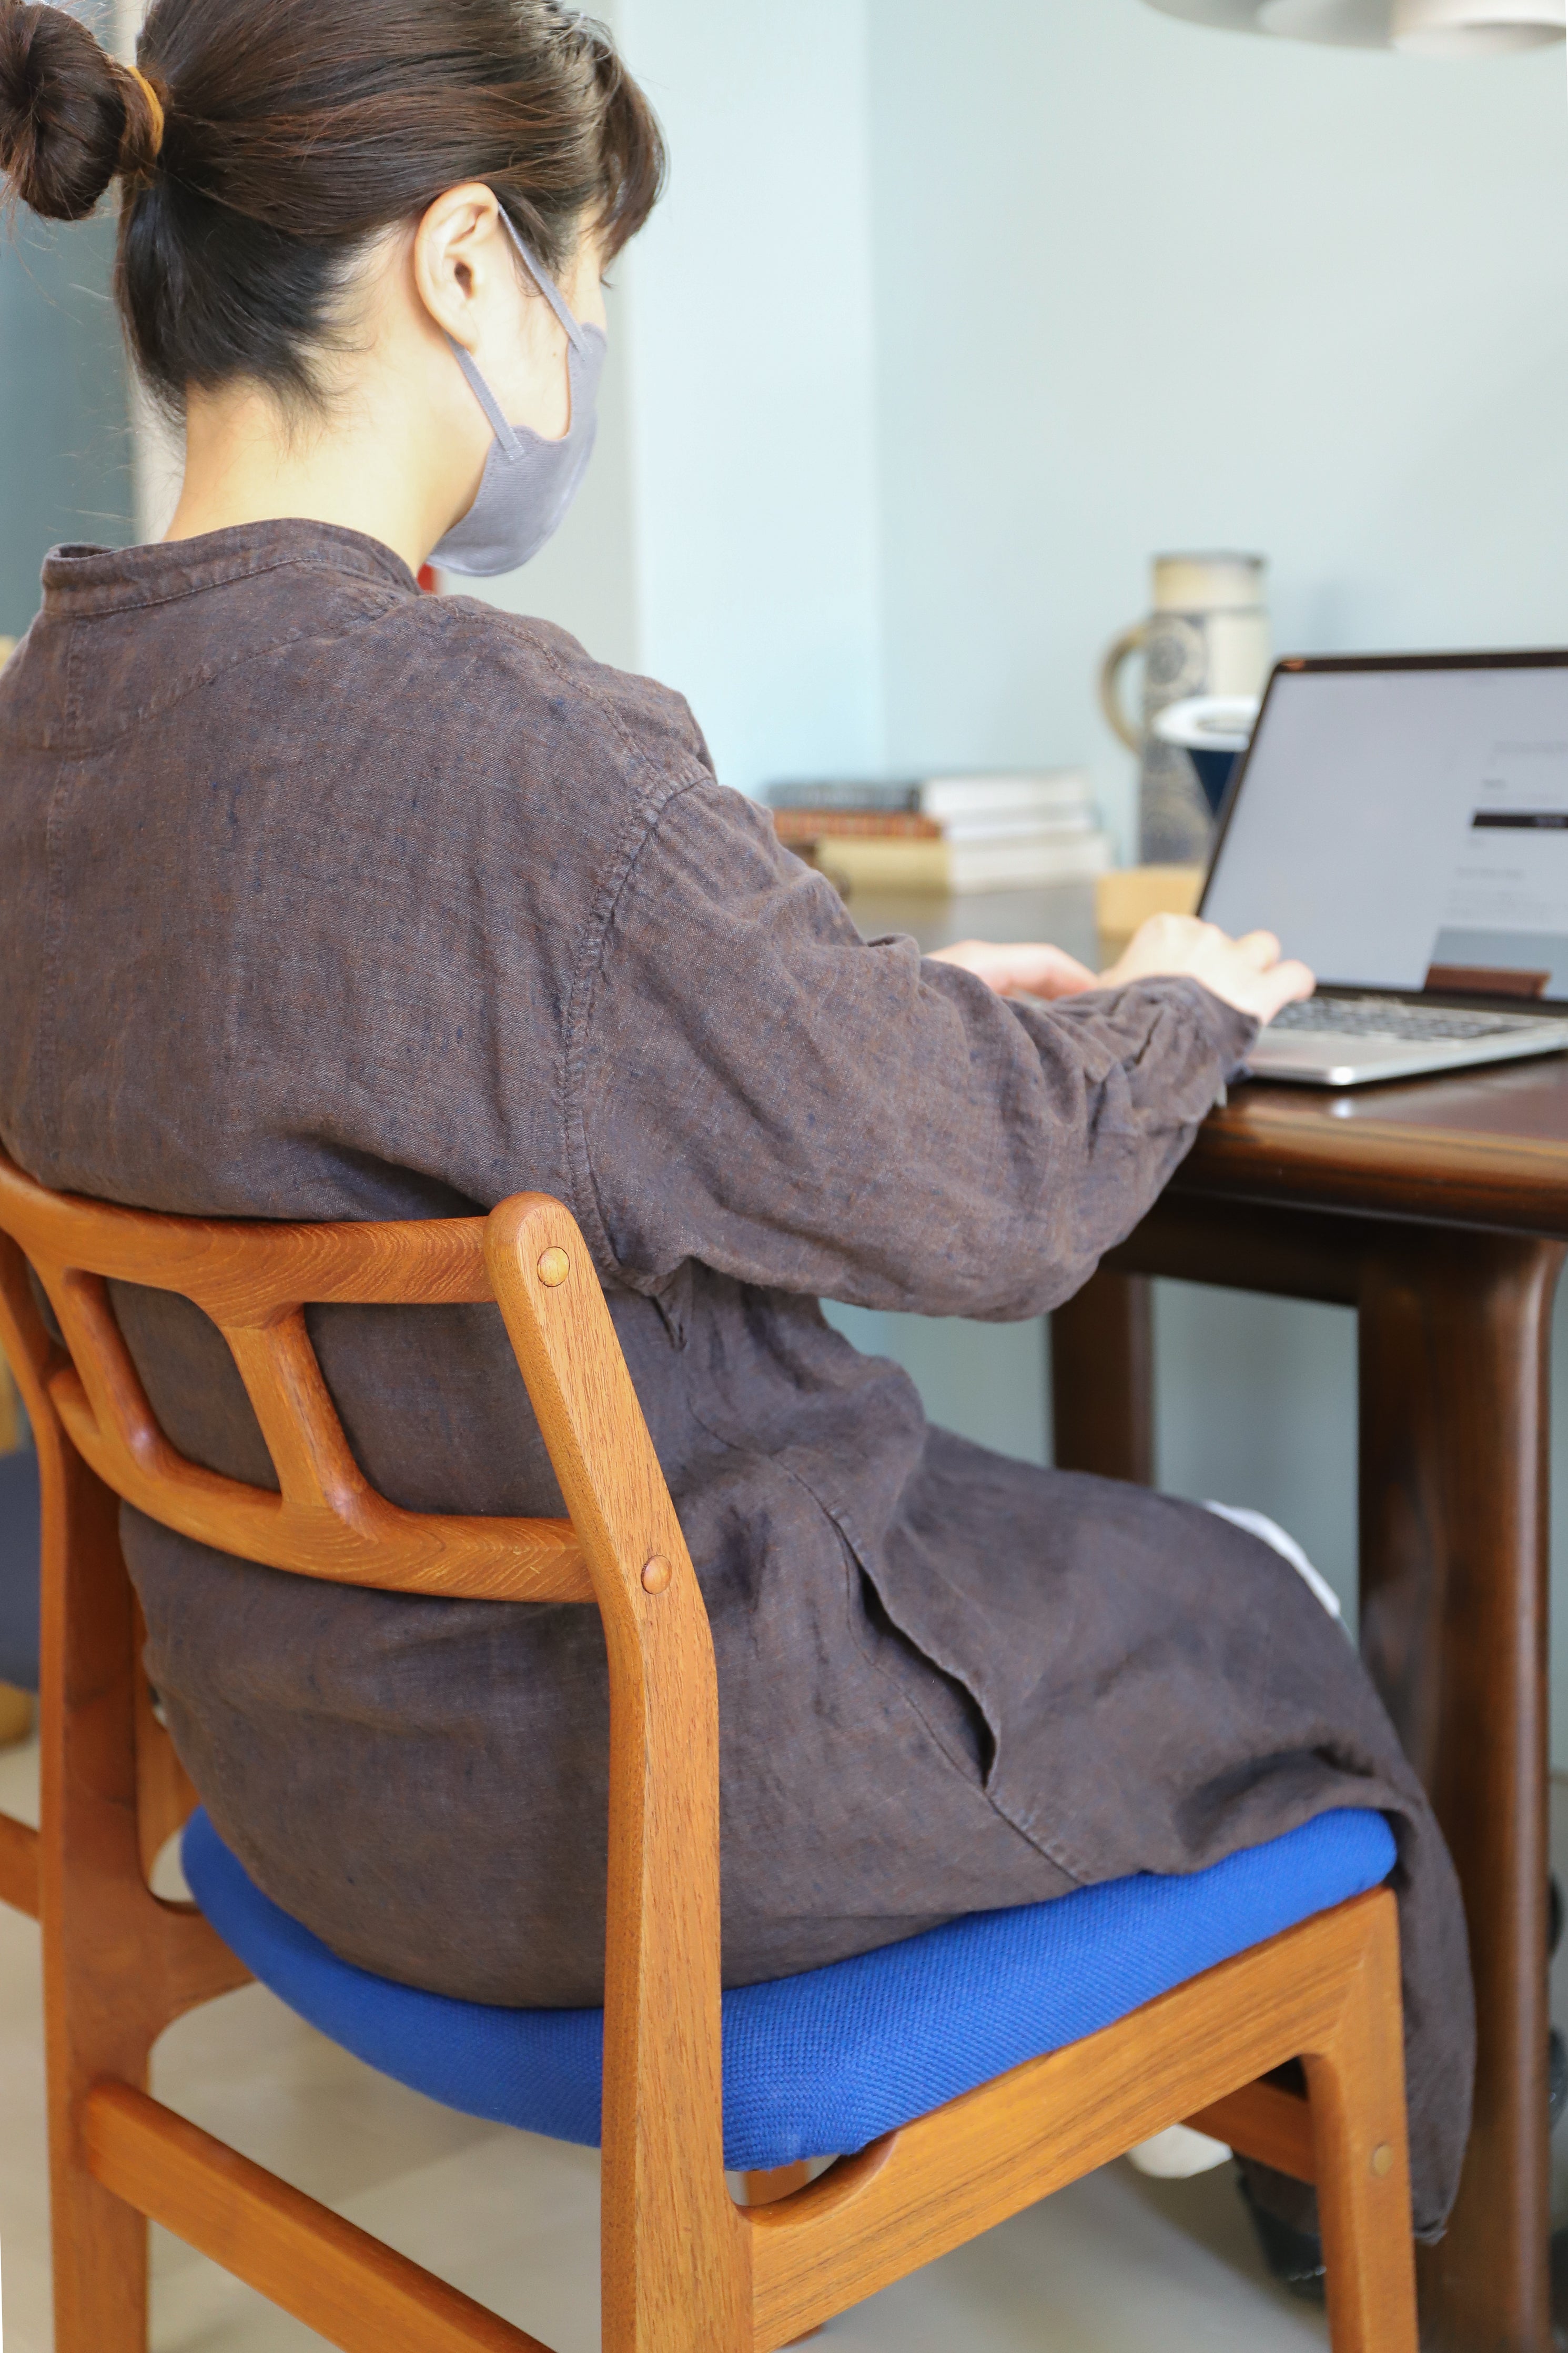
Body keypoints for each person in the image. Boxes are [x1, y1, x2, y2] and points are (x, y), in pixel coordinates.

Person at [0, 0, 1470, 2284]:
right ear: (468, 267)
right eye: (584, 282)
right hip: (650, 1811)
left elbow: (432, 1047)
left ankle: (1168, 2077)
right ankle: (1379, 2191)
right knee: (1256, 1607)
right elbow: (993, 1202)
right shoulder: (513, 741)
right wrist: (1180, 990)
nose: (587, 339)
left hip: (303, 1791)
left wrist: (884, 1010)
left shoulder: (40, 723)